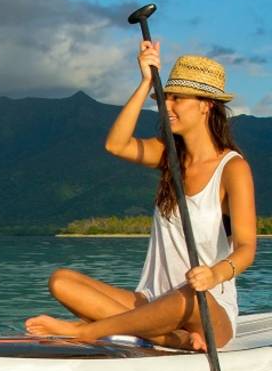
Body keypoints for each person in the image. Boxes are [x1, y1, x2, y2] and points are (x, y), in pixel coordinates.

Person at [25, 44, 256, 350]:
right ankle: (172, 339)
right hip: (150, 300)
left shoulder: (233, 168)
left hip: (204, 305)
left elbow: (246, 248)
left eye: (177, 98)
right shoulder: (168, 155)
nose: (166, 105)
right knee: (61, 281)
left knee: (187, 294)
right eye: (165, 97)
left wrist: (214, 274)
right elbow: (116, 144)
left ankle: (85, 332)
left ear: (206, 105)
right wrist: (145, 82)